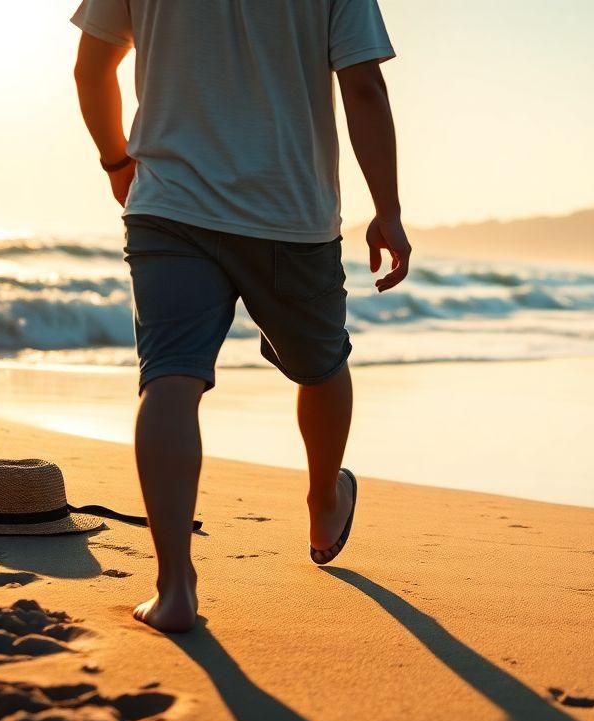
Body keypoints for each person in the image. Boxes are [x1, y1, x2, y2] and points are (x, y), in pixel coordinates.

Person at [72, 0, 411, 633]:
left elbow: (93, 64)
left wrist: (116, 159)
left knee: (170, 379)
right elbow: (363, 85)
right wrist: (387, 210)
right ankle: (322, 500)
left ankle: (175, 588)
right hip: (289, 211)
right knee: (321, 364)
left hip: (169, 204)